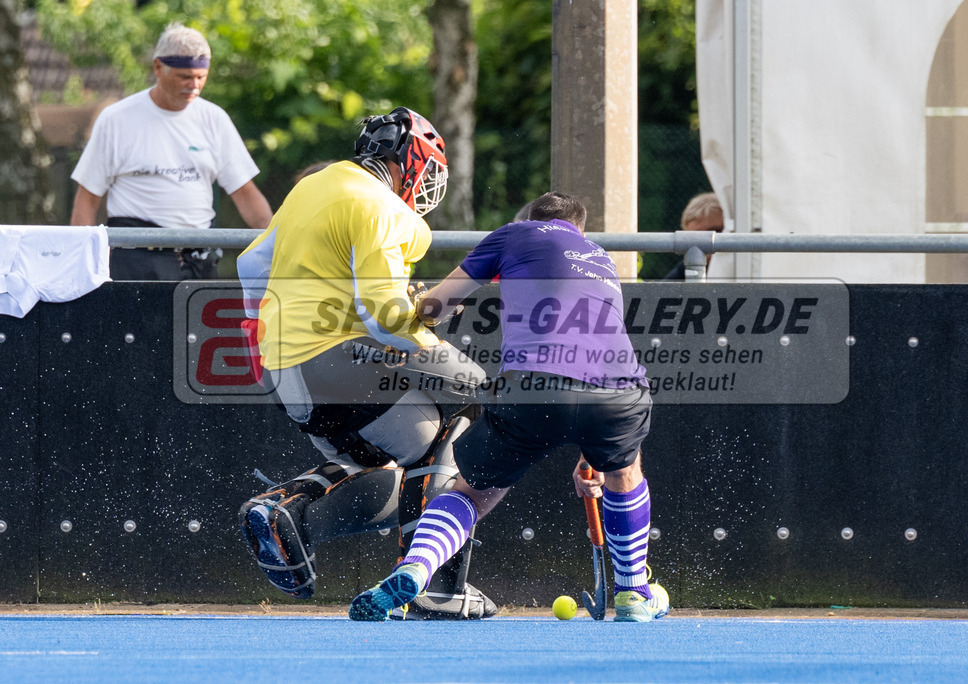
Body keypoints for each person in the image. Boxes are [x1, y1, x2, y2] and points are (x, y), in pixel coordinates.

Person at [350, 192, 671, 622]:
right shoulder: (601, 257)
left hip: (532, 389)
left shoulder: (514, 234)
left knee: (470, 492)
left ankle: (416, 567)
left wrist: (425, 309)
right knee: (625, 470)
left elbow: (434, 306)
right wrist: (589, 455)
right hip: (616, 393)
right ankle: (634, 593)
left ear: (531, 219)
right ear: (581, 229)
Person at [235, 107, 497, 620]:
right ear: (411, 162)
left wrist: (257, 329)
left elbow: (251, 264)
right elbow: (383, 318)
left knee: (405, 450)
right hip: (340, 360)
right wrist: (426, 323)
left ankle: (290, 507)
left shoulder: (316, 184)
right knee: (480, 400)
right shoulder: (388, 209)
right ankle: (434, 587)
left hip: (285, 367)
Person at [70, 22, 273, 280]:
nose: (194, 85)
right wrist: (81, 266)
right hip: (136, 259)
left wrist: (277, 243)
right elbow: (87, 198)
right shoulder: (117, 119)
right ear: (158, 67)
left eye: (201, 77)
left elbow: (246, 193)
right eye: (185, 76)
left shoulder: (214, 119)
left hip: (199, 258)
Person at [663, 191, 724, 280]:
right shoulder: (678, 278)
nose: (705, 244)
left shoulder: (747, 270)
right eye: (695, 237)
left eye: (715, 233)